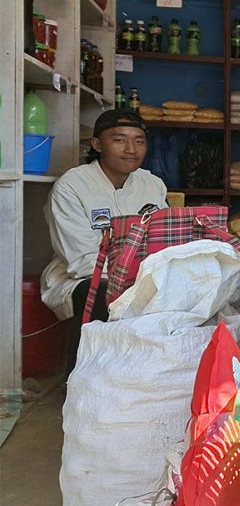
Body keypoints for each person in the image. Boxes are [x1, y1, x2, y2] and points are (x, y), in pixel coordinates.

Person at [41, 108, 167, 369]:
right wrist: (138, 281)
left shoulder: (152, 184)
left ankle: (150, 374)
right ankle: (79, 377)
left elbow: (163, 240)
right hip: (82, 276)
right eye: (119, 139)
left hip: (145, 272)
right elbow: (82, 259)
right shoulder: (71, 187)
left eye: (139, 141)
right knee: (101, 291)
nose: (131, 148)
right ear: (97, 144)